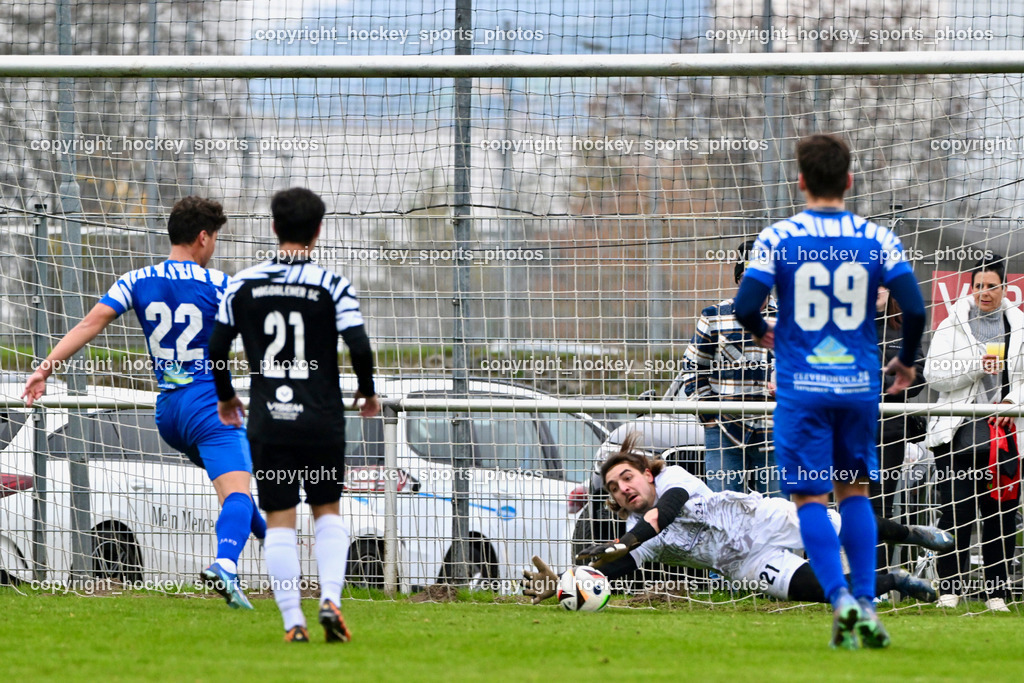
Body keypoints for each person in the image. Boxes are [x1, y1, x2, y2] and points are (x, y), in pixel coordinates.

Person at [21, 196, 266, 609]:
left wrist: (44, 369)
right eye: (215, 238)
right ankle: (225, 565)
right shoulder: (221, 284)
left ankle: (272, 543)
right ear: (203, 237)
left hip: (168, 414)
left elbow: (89, 324)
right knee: (238, 492)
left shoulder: (136, 279)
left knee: (233, 487)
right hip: (209, 406)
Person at [732, 134, 926, 649]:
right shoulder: (877, 238)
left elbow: (745, 305)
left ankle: (840, 601)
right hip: (857, 386)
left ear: (800, 181)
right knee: (855, 492)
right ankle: (867, 601)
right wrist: (906, 361)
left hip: (803, 388)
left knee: (810, 498)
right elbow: (915, 308)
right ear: (849, 180)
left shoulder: (778, 237)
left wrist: (762, 331)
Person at [209, 187, 379, 643]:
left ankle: (293, 622)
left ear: (273, 226)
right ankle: (330, 600)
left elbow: (216, 348)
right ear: (318, 230)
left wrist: (226, 396)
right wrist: (367, 392)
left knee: (280, 518)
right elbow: (360, 346)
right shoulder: (333, 285)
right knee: (327, 512)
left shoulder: (242, 283)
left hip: (270, 423)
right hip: (321, 421)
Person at [522, 434, 950, 607]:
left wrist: (625, 542)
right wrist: (564, 582)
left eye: (627, 477)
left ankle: (911, 534)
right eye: (614, 488)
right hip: (743, 564)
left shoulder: (672, 478)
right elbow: (609, 570)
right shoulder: (639, 535)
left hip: (761, 520)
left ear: (647, 474)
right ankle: (894, 580)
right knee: (825, 591)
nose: (622, 488)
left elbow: (663, 514)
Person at [924, 254, 1021, 613]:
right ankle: (950, 589)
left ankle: (997, 595)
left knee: (1001, 518)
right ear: (970, 288)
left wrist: (1013, 400)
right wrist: (975, 367)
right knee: (955, 516)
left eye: (991, 286)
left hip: (1005, 440)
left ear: (1005, 288)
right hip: (957, 439)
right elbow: (934, 376)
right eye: (978, 286)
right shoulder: (951, 324)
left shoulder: (1019, 326)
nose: (984, 292)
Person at [680, 241, 781, 496]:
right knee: (724, 506)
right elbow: (692, 368)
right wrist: (709, 416)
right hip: (724, 429)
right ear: (739, 280)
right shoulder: (714, 316)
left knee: (779, 509)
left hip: (777, 430)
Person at [872, 286, 927, 571]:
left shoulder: (905, 327)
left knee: (880, 508)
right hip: (846, 432)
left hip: (889, 434)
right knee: (846, 507)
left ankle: (878, 582)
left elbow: (918, 377)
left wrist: (882, 382)